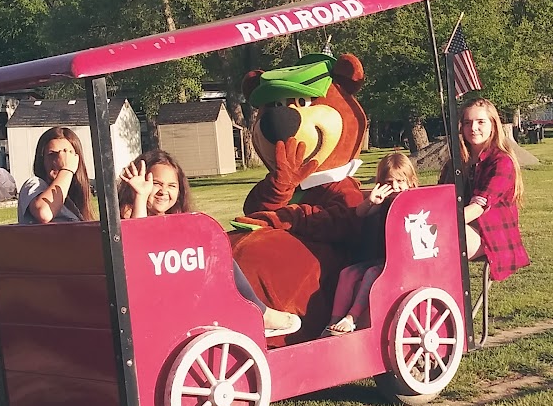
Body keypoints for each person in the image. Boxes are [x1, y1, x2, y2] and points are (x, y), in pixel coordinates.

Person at [119, 148, 301, 337]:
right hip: (152, 288)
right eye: (156, 183)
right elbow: (136, 239)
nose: (164, 191)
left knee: (217, 256)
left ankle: (250, 310)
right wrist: (140, 195)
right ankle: (260, 313)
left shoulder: (171, 218)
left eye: (172, 186)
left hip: (175, 280)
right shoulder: (131, 211)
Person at [324, 151, 418, 335]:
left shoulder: (414, 200)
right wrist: (371, 201)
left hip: (404, 263)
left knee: (371, 273)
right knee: (347, 273)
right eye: (389, 182)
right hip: (383, 258)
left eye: (400, 181)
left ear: (410, 181)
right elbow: (361, 213)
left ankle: (352, 318)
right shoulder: (382, 203)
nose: (396, 187)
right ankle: (333, 322)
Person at [439, 96, 530, 280]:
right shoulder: (455, 163)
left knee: (440, 241)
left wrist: (442, 223)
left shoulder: (502, 162)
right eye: (467, 122)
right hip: (461, 226)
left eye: (480, 122)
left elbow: (479, 206)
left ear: (493, 125)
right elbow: (439, 198)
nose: (473, 128)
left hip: (492, 234)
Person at [17, 127, 95, 224]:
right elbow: (44, 212)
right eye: (52, 154)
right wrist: (66, 169)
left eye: (67, 154)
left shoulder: (74, 197)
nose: (60, 160)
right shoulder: (34, 184)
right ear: (42, 160)